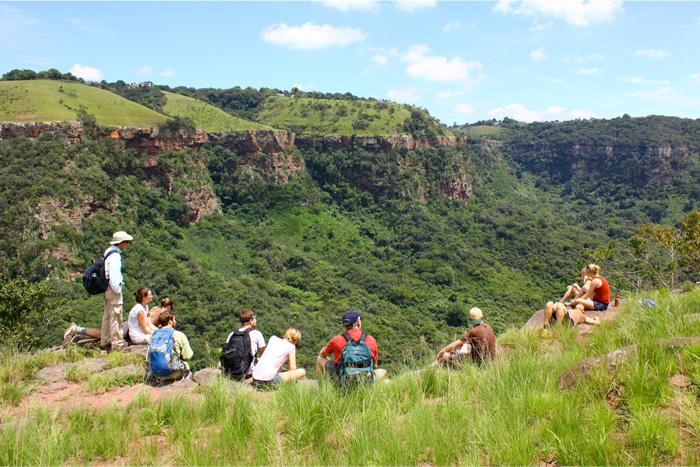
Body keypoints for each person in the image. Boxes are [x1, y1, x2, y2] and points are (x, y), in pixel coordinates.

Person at [316, 310, 387, 381]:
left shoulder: (336, 339)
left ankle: (321, 387)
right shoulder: (371, 339)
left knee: (319, 358)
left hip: (344, 381)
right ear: (358, 322)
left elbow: (322, 354)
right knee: (383, 371)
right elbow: (375, 365)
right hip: (366, 380)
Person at [101, 231, 133, 350]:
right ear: (121, 243)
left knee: (108, 315)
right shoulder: (115, 256)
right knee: (116, 315)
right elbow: (114, 276)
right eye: (126, 242)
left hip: (106, 289)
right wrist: (118, 290)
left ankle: (105, 340)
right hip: (113, 289)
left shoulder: (108, 251)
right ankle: (117, 343)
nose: (127, 244)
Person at [146, 309, 193, 383]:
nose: (175, 321)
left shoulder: (155, 334)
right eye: (174, 319)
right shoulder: (178, 334)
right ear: (170, 322)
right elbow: (188, 356)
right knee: (187, 366)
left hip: (155, 373)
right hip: (171, 372)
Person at [221, 309, 266, 380]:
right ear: (251, 320)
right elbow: (264, 355)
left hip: (231, 372)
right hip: (248, 373)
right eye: (255, 318)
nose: (256, 320)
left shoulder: (232, 334)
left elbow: (225, 352)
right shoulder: (257, 334)